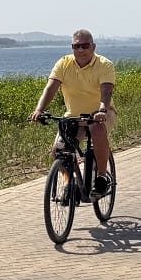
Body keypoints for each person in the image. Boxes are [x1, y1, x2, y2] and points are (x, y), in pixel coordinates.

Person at [30, 29, 116, 195]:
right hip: (74, 116)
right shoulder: (64, 63)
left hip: (101, 112)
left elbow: (106, 92)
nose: (80, 50)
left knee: (97, 129)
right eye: (76, 46)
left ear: (93, 46)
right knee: (58, 150)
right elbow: (50, 88)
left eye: (85, 46)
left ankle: (101, 176)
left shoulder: (105, 65)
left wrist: (102, 110)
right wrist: (39, 110)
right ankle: (72, 182)